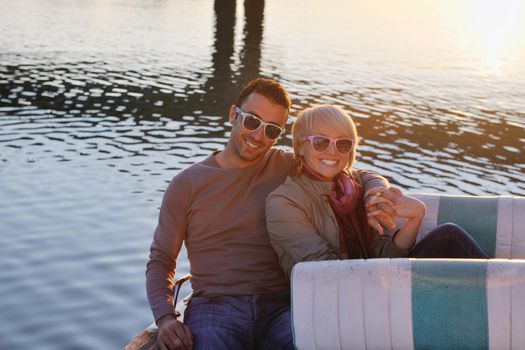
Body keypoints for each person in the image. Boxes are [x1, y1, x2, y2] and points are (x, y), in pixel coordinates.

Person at [146, 79, 393, 350]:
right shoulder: (187, 183)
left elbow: (356, 174)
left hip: (283, 305)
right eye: (251, 121)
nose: (258, 136)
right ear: (233, 115)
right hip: (216, 306)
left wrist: (375, 192)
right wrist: (166, 318)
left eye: (271, 129)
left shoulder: (287, 165)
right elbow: (162, 260)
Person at [266, 104, 488, 279]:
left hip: (376, 284)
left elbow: (384, 256)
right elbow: (327, 272)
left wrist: (414, 217)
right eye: (321, 142)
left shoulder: (352, 187)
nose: (332, 151)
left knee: (449, 236)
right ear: (300, 146)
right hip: (334, 302)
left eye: (343, 144)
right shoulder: (283, 202)